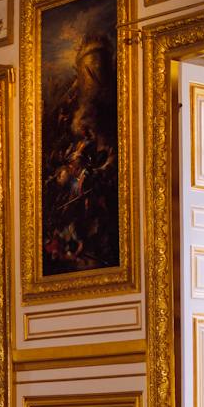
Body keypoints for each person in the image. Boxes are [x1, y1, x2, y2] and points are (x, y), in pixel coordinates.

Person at [42, 31, 119, 273]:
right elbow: (73, 164)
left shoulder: (109, 138)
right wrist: (68, 171)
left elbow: (107, 164)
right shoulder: (79, 144)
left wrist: (92, 173)